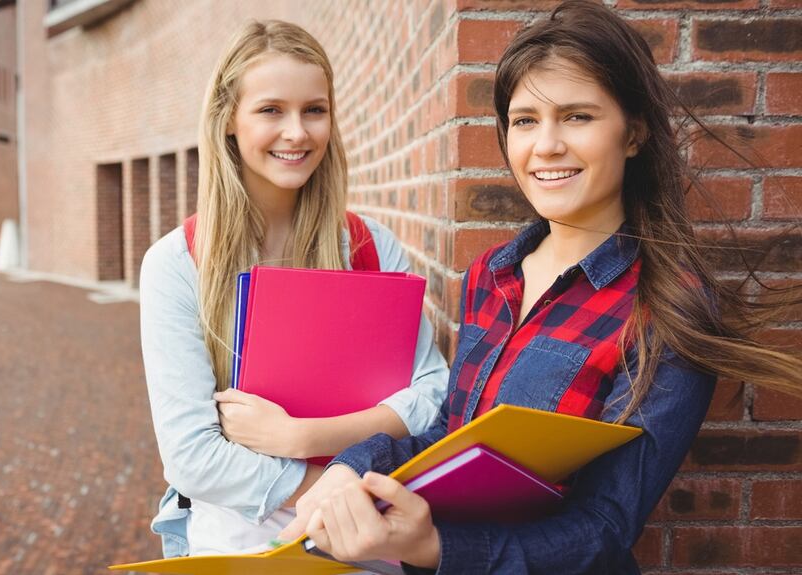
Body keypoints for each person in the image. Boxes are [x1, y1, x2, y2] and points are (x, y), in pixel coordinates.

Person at [278, 1, 802, 573]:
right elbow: (448, 434)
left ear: (634, 133)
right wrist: (349, 466)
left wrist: (435, 550)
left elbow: (605, 528)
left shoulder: (666, 306)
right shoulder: (490, 275)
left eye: (577, 117)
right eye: (525, 120)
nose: (545, 145)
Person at [137, 20, 449, 558]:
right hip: (239, 545)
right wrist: (337, 492)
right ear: (228, 122)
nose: (297, 132)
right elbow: (193, 457)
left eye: (314, 110)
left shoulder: (370, 248)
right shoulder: (177, 263)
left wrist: (302, 438)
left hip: (367, 549)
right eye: (270, 110)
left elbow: (432, 397)